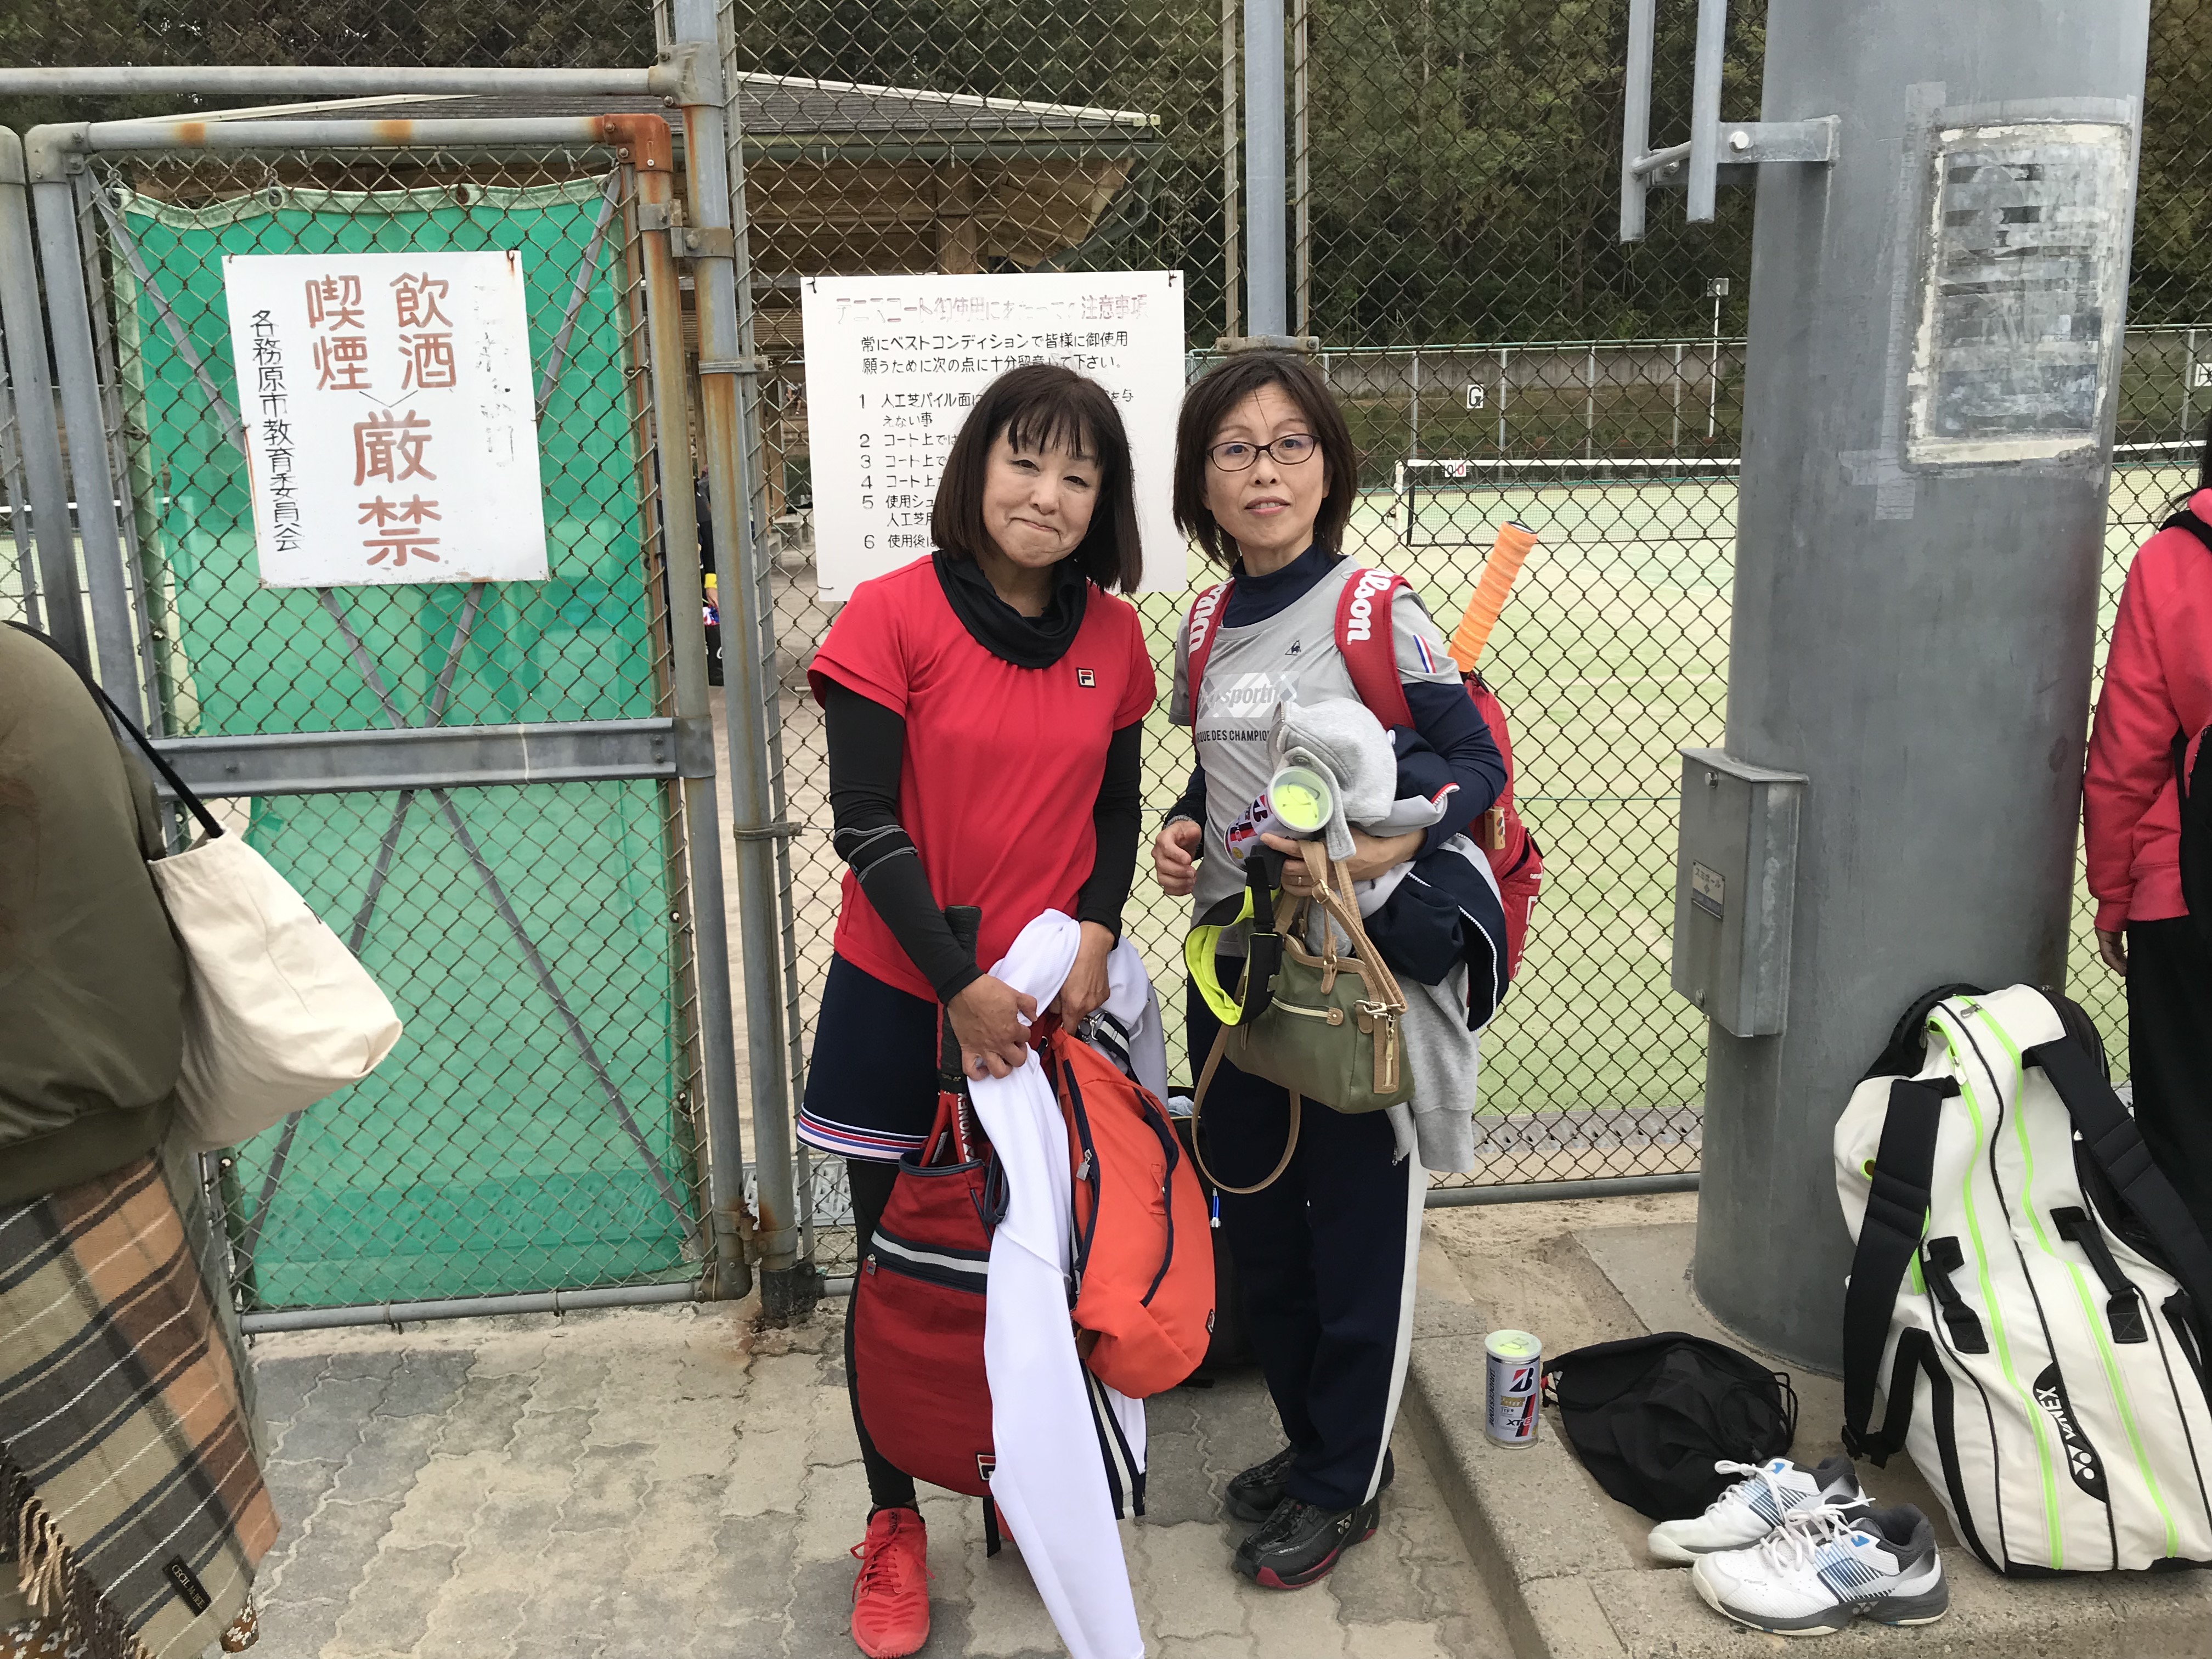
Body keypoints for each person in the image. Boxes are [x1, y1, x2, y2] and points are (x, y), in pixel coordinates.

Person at [799, 364, 1154, 1659]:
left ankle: (1015, 1473)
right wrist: (958, 985)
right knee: (897, 1272)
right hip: (907, 994)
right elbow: (863, 821)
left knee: (1036, 1259)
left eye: (1079, 476)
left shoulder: (1113, 638)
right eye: (1025, 462)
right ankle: (893, 1518)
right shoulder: (890, 613)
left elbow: (1115, 807)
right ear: (976, 469)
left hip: (1043, 1011)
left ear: (1105, 502)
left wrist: (1098, 932)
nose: (1047, 495)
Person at [1152, 351, 1504, 1589]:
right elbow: (1219, 778)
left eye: (1290, 444)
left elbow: (1474, 763)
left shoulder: (1375, 611)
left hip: (1352, 986)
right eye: (1236, 449)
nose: (1265, 471)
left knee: (1357, 1240)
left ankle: (1346, 1483)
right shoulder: (1202, 625)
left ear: (1328, 468)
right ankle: (1319, 1448)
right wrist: (1183, 828)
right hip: (1238, 976)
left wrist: (1388, 845)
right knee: (1262, 1228)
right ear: (1203, 480)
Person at [1, 623, 278, 1658]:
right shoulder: (32, 661)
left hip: (22, 1174)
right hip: (120, 1136)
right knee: (140, 1537)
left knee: (48, 1555)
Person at [2086, 412, 2212, 1241]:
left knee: (2188, 1146)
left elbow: (2128, 749)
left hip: (2187, 888)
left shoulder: (2177, 555)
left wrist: (2114, 892)